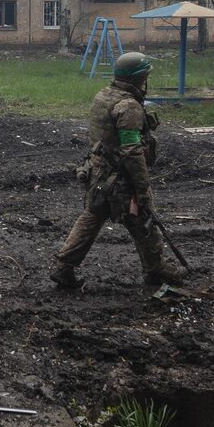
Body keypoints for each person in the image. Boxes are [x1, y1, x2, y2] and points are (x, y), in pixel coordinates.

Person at [50, 52, 186, 290]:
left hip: (98, 174)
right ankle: (156, 270)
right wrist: (142, 187)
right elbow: (132, 151)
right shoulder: (128, 107)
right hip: (120, 180)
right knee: (143, 222)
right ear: (140, 77)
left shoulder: (104, 96)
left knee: (91, 218)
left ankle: (64, 267)